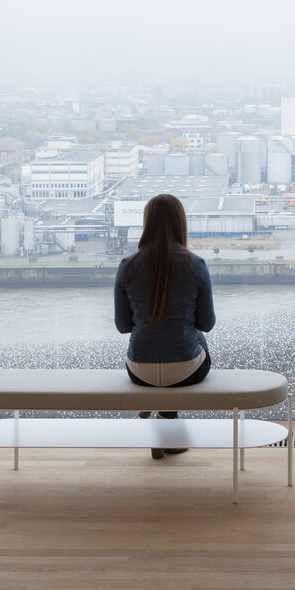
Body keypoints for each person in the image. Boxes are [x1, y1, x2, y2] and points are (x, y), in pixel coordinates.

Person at [114, 193, 215, 459]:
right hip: (186, 371)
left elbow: (123, 326)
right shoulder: (196, 265)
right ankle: (166, 428)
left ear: (147, 223)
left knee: (156, 341)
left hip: (139, 371)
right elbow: (207, 323)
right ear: (181, 222)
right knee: (195, 335)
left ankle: (156, 414)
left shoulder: (127, 266)